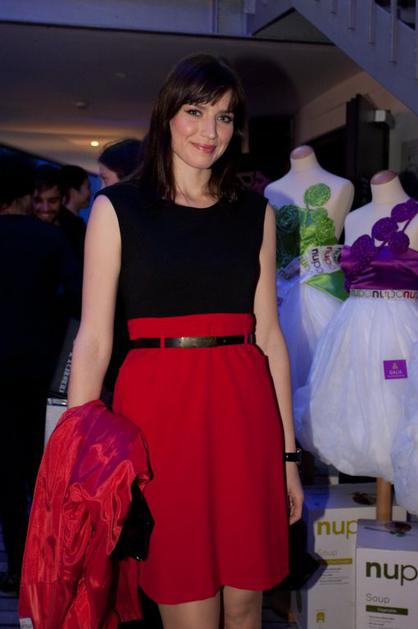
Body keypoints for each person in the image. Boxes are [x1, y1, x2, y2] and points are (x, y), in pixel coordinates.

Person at [69, 53, 303, 629]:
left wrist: (288, 457)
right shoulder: (118, 208)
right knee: (189, 601)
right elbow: (94, 340)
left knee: (246, 605)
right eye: (195, 112)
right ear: (167, 115)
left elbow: (270, 336)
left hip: (245, 412)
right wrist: (77, 455)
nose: (209, 131)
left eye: (224, 117)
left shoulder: (255, 212)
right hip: (160, 419)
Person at [0, 156, 81, 593]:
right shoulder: (49, 239)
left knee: (6, 475)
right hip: (41, 368)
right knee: (43, 467)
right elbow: (77, 299)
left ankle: (15, 565)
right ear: (25, 195)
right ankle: (46, 562)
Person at [33, 165, 86, 261]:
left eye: (52, 201)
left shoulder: (76, 233)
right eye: (38, 201)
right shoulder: (20, 230)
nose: (45, 208)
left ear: (63, 199)